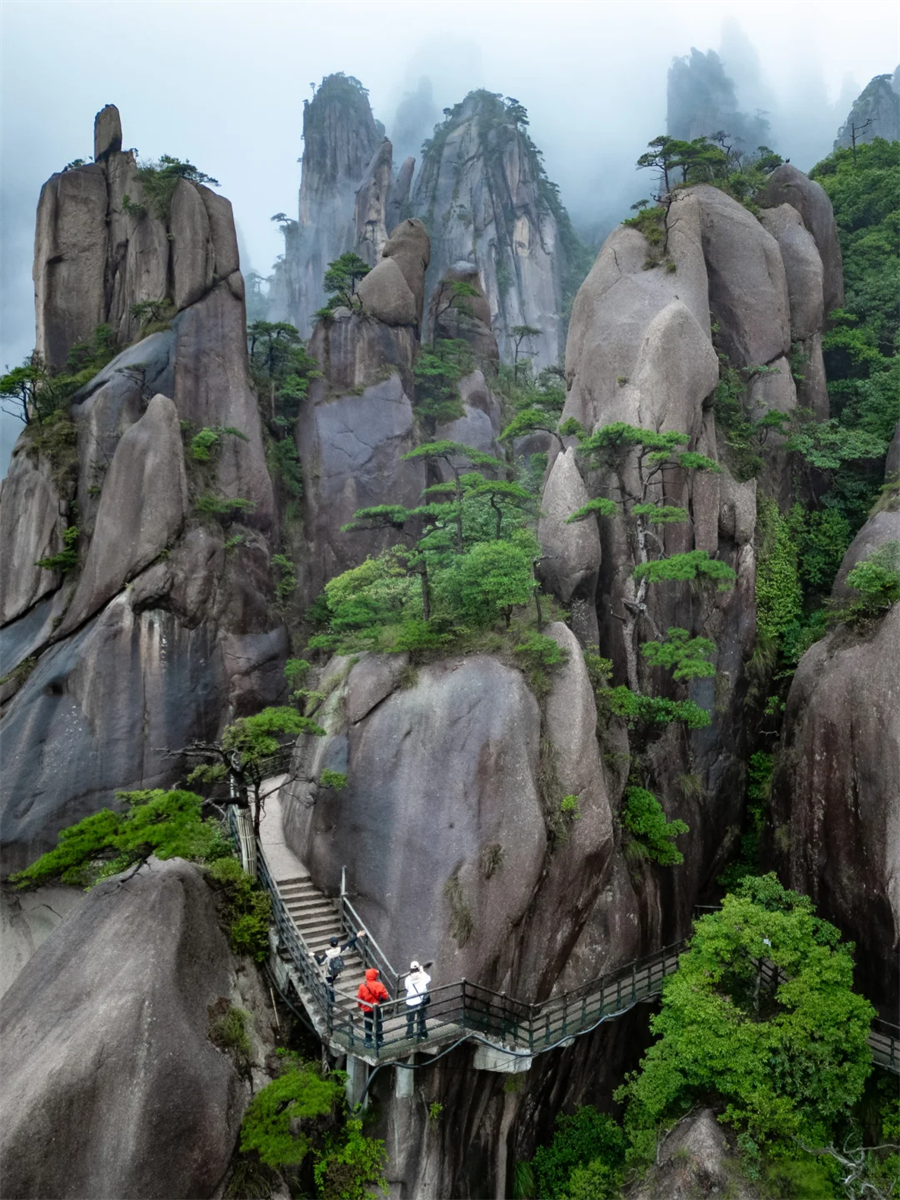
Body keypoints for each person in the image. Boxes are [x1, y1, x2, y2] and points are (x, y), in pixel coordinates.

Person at [314, 929, 365, 1005]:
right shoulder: (340, 950)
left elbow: (321, 963)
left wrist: (314, 955)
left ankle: (332, 1004)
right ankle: (326, 988)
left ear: (330, 944)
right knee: (330, 982)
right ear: (337, 944)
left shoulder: (327, 954)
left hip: (329, 973)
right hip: (337, 970)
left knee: (330, 987)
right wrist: (357, 936)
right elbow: (349, 943)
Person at [357, 967, 390, 1049]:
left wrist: (360, 1006)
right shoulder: (379, 985)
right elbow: (385, 996)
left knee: (368, 1025)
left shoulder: (362, 986)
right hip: (376, 1008)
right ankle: (379, 1040)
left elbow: (360, 998)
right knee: (378, 1024)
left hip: (367, 1009)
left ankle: (368, 1041)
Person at [404, 960, 432, 1041]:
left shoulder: (408, 979)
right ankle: (423, 1034)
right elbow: (429, 979)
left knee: (410, 1019)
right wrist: (422, 971)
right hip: (420, 1001)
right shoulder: (423, 977)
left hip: (410, 1001)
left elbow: (406, 987)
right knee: (421, 1018)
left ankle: (409, 1035)